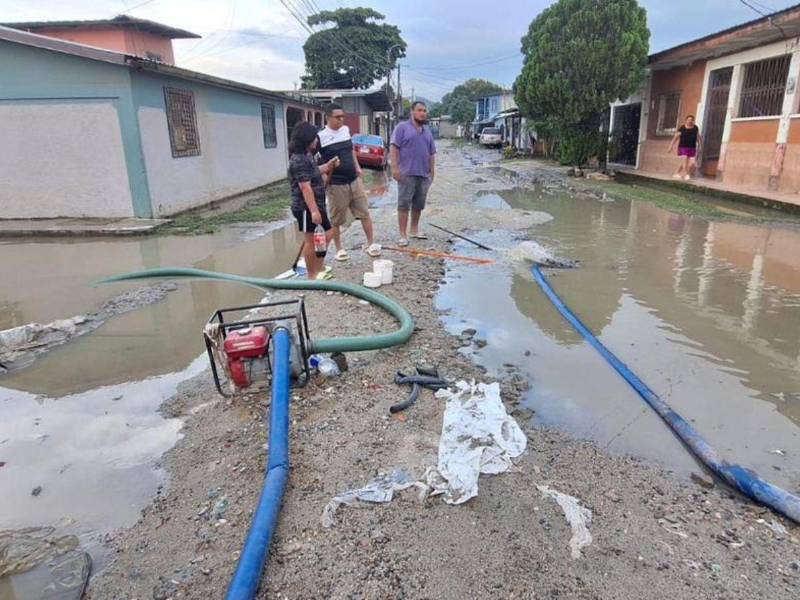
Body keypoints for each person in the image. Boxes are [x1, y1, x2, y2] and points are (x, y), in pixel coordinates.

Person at [317, 103, 381, 261]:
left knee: (364, 212)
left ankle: (371, 244)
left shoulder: (345, 130)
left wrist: (358, 166)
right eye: (337, 117)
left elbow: (351, 149)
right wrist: (325, 175)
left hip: (354, 180)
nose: (341, 120)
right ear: (328, 118)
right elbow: (316, 162)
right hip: (336, 184)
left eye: (342, 116)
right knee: (337, 219)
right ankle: (339, 249)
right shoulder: (321, 137)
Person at [288, 121, 339, 280]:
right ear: (306, 140)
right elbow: (305, 187)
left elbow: (315, 172)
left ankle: (318, 267)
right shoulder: (299, 160)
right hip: (306, 208)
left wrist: (328, 166)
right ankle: (312, 275)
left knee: (327, 234)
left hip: (316, 204)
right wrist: (314, 211)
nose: (317, 141)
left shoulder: (307, 156)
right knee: (311, 241)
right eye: (314, 138)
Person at [390, 101, 436, 246]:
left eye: (424, 110)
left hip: (423, 174)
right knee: (404, 204)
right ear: (412, 112)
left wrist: (432, 172)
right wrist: (395, 168)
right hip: (406, 173)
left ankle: (414, 230)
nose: (423, 113)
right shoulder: (402, 128)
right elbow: (394, 148)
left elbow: (431, 153)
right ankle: (403, 235)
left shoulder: (427, 131)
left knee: (418, 204)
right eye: (420, 110)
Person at [667, 115, 701, 180]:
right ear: (686, 120)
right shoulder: (682, 128)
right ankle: (687, 174)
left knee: (691, 162)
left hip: (692, 147)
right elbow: (675, 138)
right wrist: (670, 147)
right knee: (685, 161)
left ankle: (676, 173)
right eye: (688, 120)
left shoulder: (695, 128)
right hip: (683, 147)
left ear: (693, 121)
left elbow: (698, 137)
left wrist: (700, 145)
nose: (689, 121)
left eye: (691, 120)